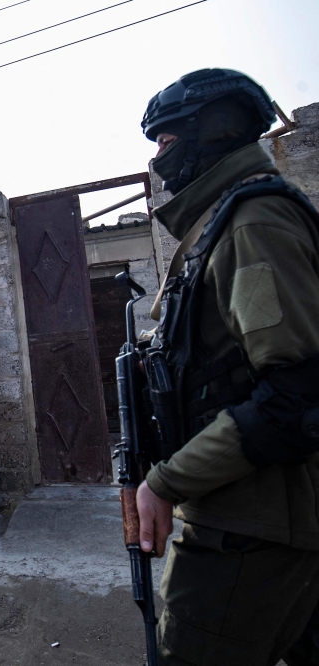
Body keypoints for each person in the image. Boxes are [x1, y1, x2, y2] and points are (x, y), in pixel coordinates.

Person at [135, 68, 319, 665]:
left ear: (205, 135)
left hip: (253, 527)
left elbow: (295, 399)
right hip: (263, 518)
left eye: (165, 143)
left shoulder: (252, 224)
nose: (160, 160)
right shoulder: (224, 225)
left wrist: (167, 482)